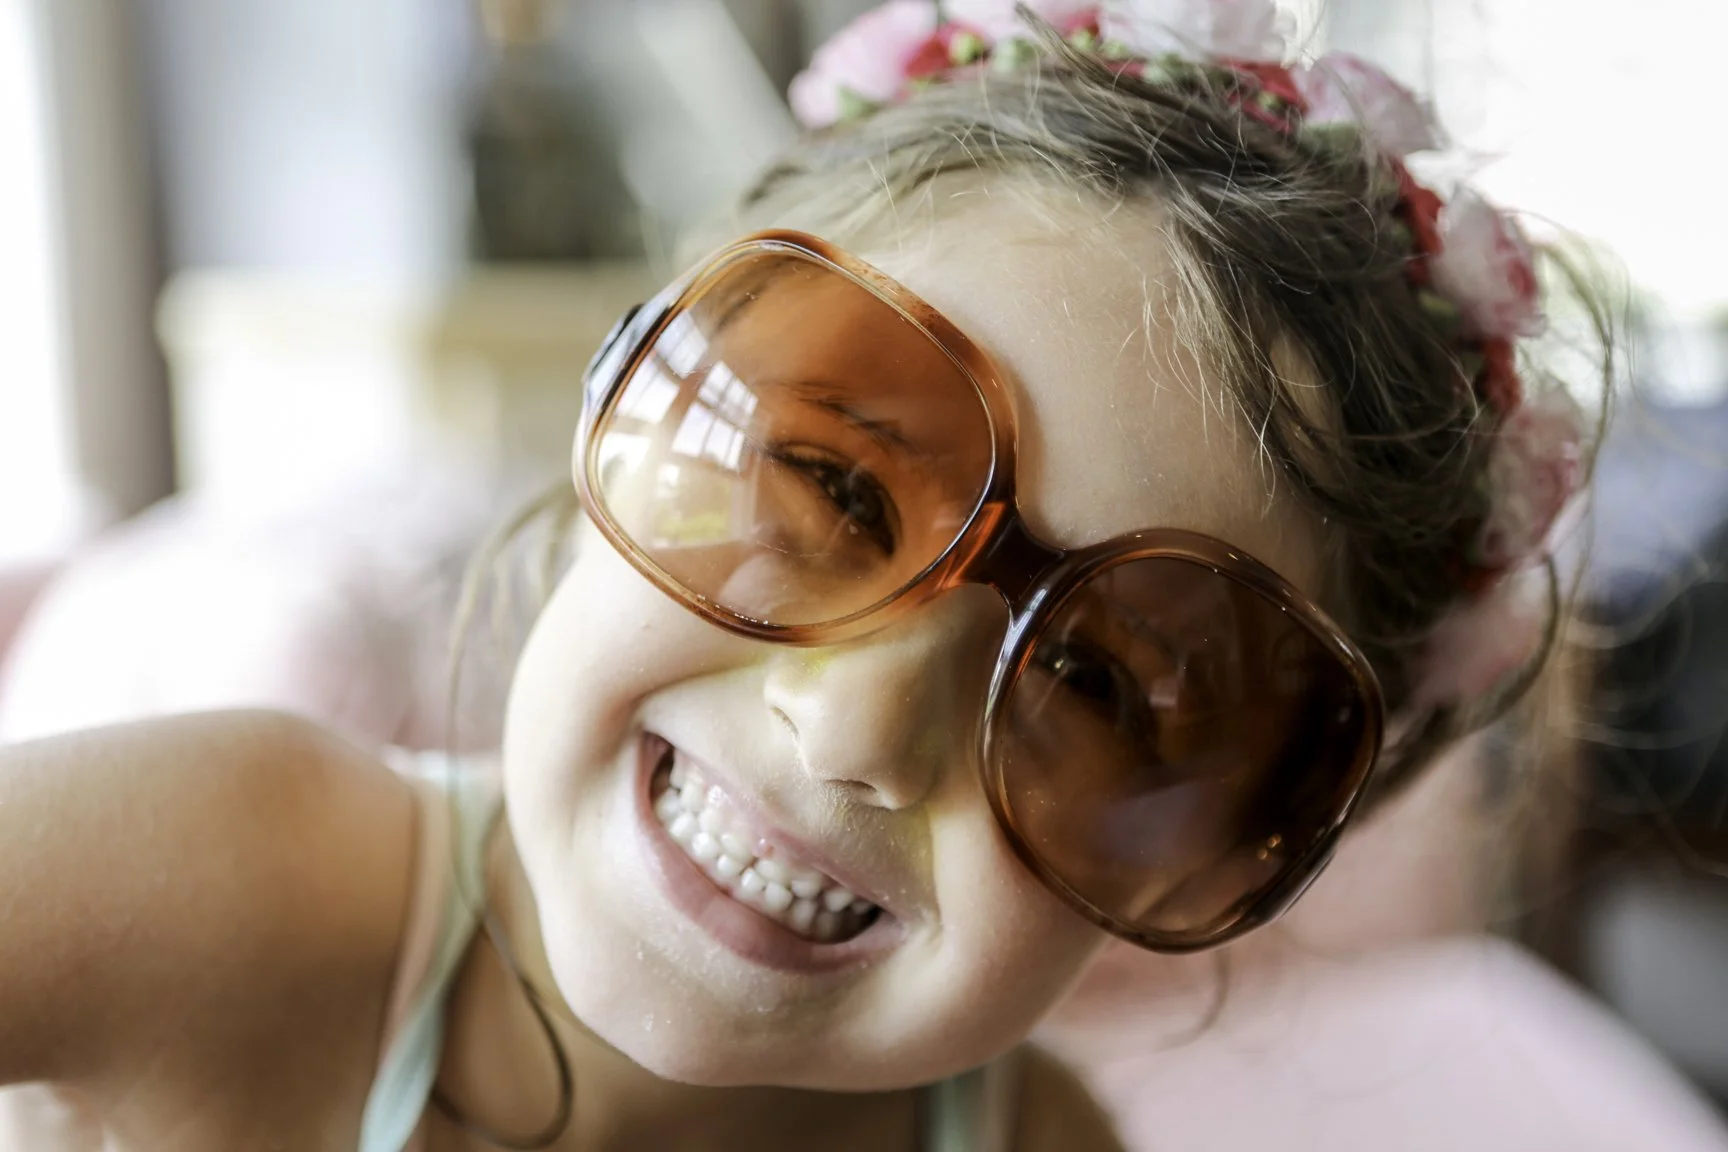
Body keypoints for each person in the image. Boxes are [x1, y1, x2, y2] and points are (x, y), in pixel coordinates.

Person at [0, 1, 1644, 1148]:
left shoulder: (1032, 1140)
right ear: (634, 385)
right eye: (840, 488)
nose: (860, 722)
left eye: (1094, 684)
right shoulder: (212, 878)